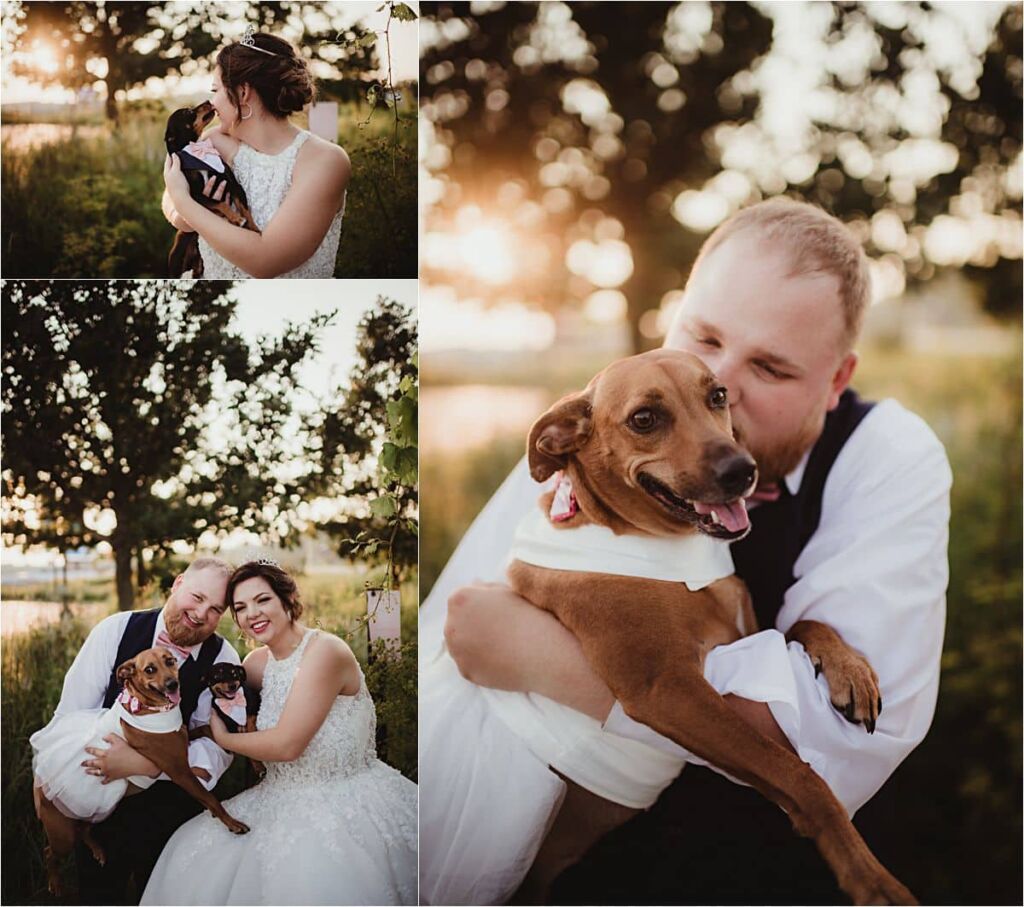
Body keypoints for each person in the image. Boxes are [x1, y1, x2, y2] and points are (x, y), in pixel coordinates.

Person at [423, 198, 952, 903]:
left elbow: (833, 736)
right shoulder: (588, 447)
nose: (721, 388)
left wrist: (552, 661)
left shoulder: (884, 453)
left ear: (835, 381)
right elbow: (457, 625)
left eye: (768, 367)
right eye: (701, 336)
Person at [142, 560, 418, 906]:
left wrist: (224, 738)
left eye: (262, 600)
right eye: (240, 607)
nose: (251, 613)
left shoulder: (326, 652)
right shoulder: (255, 665)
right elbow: (214, 706)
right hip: (277, 794)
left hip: (343, 796)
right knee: (188, 850)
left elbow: (288, 745)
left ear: (287, 600)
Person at [45, 556, 239, 905]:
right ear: (178, 583)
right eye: (196, 597)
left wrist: (151, 766)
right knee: (100, 895)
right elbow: (73, 713)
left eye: (215, 609)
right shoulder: (115, 630)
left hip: (174, 805)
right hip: (103, 794)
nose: (200, 614)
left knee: (169, 896)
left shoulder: (224, 656)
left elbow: (220, 743)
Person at [162, 30, 350, 279]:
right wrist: (182, 214)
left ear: (242, 93)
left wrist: (185, 203)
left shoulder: (324, 161)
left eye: (215, 89)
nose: (212, 101)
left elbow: (266, 262)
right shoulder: (212, 142)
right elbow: (170, 198)